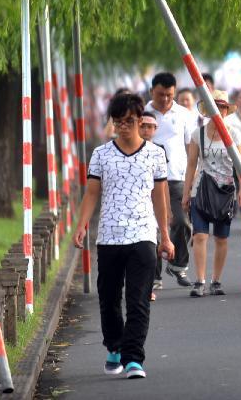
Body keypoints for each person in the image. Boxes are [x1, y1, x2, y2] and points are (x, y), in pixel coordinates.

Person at [73, 92, 173, 380]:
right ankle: (114, 347)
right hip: (109, 236)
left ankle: (133, 358)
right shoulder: (101, 154)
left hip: (143, 234)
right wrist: (82, 225)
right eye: (118, 121)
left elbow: (160, 197)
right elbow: (92, 193)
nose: (123, 126)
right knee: (108, 298)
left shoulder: (155, 154)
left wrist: (165, 236)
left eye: (128, 121)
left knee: (138, 299)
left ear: (140, 120)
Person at [183, 90, 241, 297]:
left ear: (227, 110)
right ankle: (199, 281)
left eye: (222, 107)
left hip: (225, 191)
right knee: (200, 235)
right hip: (201, 190)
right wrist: (186, 193)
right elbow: (191, 165)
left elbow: (240, 166)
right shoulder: (198, 134)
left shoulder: (234, 134)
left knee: (221, 238)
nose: (219, 111)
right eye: (215, 107)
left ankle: (216, 280)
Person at [145, 73, 195, 288]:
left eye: (169, 95)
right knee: (151, 228)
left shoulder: (184, 114)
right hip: (148, 179)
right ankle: (154, 276)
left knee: (182, 223)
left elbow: (191, 147)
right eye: (160, 94)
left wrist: (193, 177)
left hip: (176, 177)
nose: (165, 99)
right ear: (151, 92)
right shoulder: (143, 114)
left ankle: (178, 265)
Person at [139, 112, 170, 301]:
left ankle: (150, 283)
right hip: (135, 206)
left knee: (152, 246)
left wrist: (167, 209)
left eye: (150, 127)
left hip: (154, 206)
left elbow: (162, 185)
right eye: (143, 126)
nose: (146, 130)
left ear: (155, 129)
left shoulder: (159, 151)